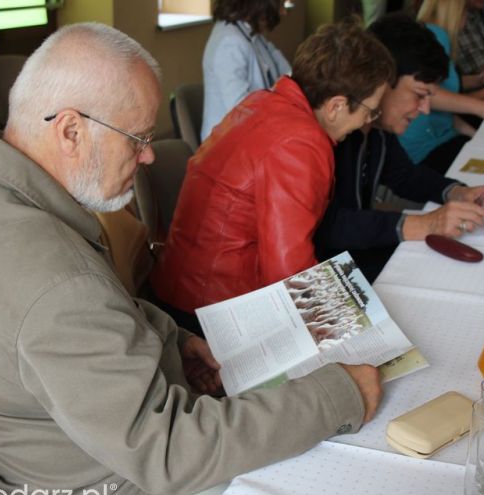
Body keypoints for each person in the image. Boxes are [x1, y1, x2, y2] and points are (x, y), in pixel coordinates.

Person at [0, 22, 384, 495]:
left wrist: (169, 337)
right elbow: (170, 454)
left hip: (62, 461)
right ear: (70, 130)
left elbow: (65, 322)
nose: (149, 155)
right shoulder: (54, 283)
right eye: (138, 138)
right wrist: (338, 395)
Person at [151, 20, 396, 332]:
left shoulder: (261, 101)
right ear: (336, 106)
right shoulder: (302, 143)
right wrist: (354, 329)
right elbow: (289, 273)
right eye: (370, 111)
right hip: (215, 314)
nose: (367, 122)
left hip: (182, 292)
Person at [315, 14, 484, 282]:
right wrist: (423, 224)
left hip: (352, 253)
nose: (425, 109)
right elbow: (325, 226)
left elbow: (404, 176)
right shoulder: (334, 135)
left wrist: (456, 192)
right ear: (381, 82)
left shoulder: (377, 131)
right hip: (325, 269)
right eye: (419, 94)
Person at [397, 0, 484, 175]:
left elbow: (446, 98)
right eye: (466, 14)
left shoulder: (434, 32)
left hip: (441, 135)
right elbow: (431, 95)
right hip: (426, 145)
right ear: (457, 11)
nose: (468, 20)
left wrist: (476, 136)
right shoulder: (437, 35)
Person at [201, 0, 291, 140]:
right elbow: (241, 112)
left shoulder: (252, 35)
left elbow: (286, 71)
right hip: (227, 146)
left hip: (248, 135)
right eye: (280, 5)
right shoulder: (229, 42)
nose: (283, 12)